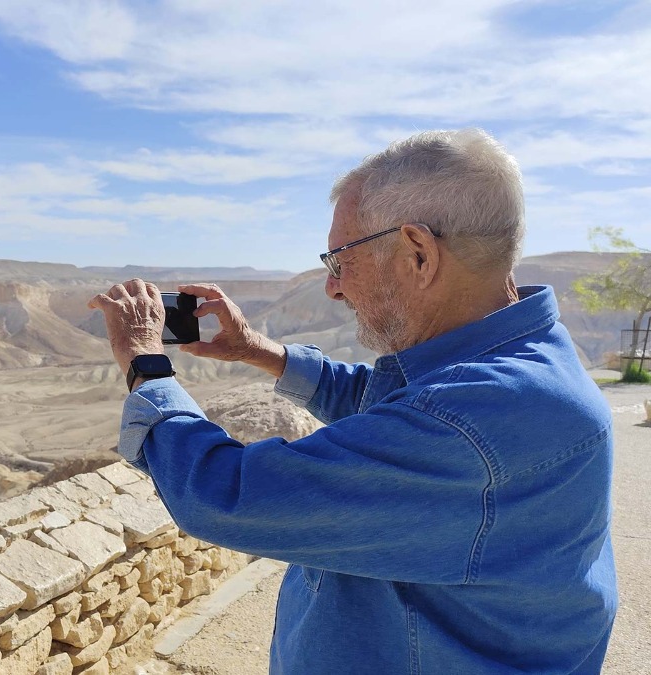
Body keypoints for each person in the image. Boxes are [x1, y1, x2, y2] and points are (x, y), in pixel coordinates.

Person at [88, 129, 617, 674]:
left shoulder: (474, 417)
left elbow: (227, 495)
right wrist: (262, 353)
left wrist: (145, 363)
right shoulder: (517, 364)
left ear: (418, 255)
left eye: (340, 261)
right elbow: (391, 412)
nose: (332, 288)